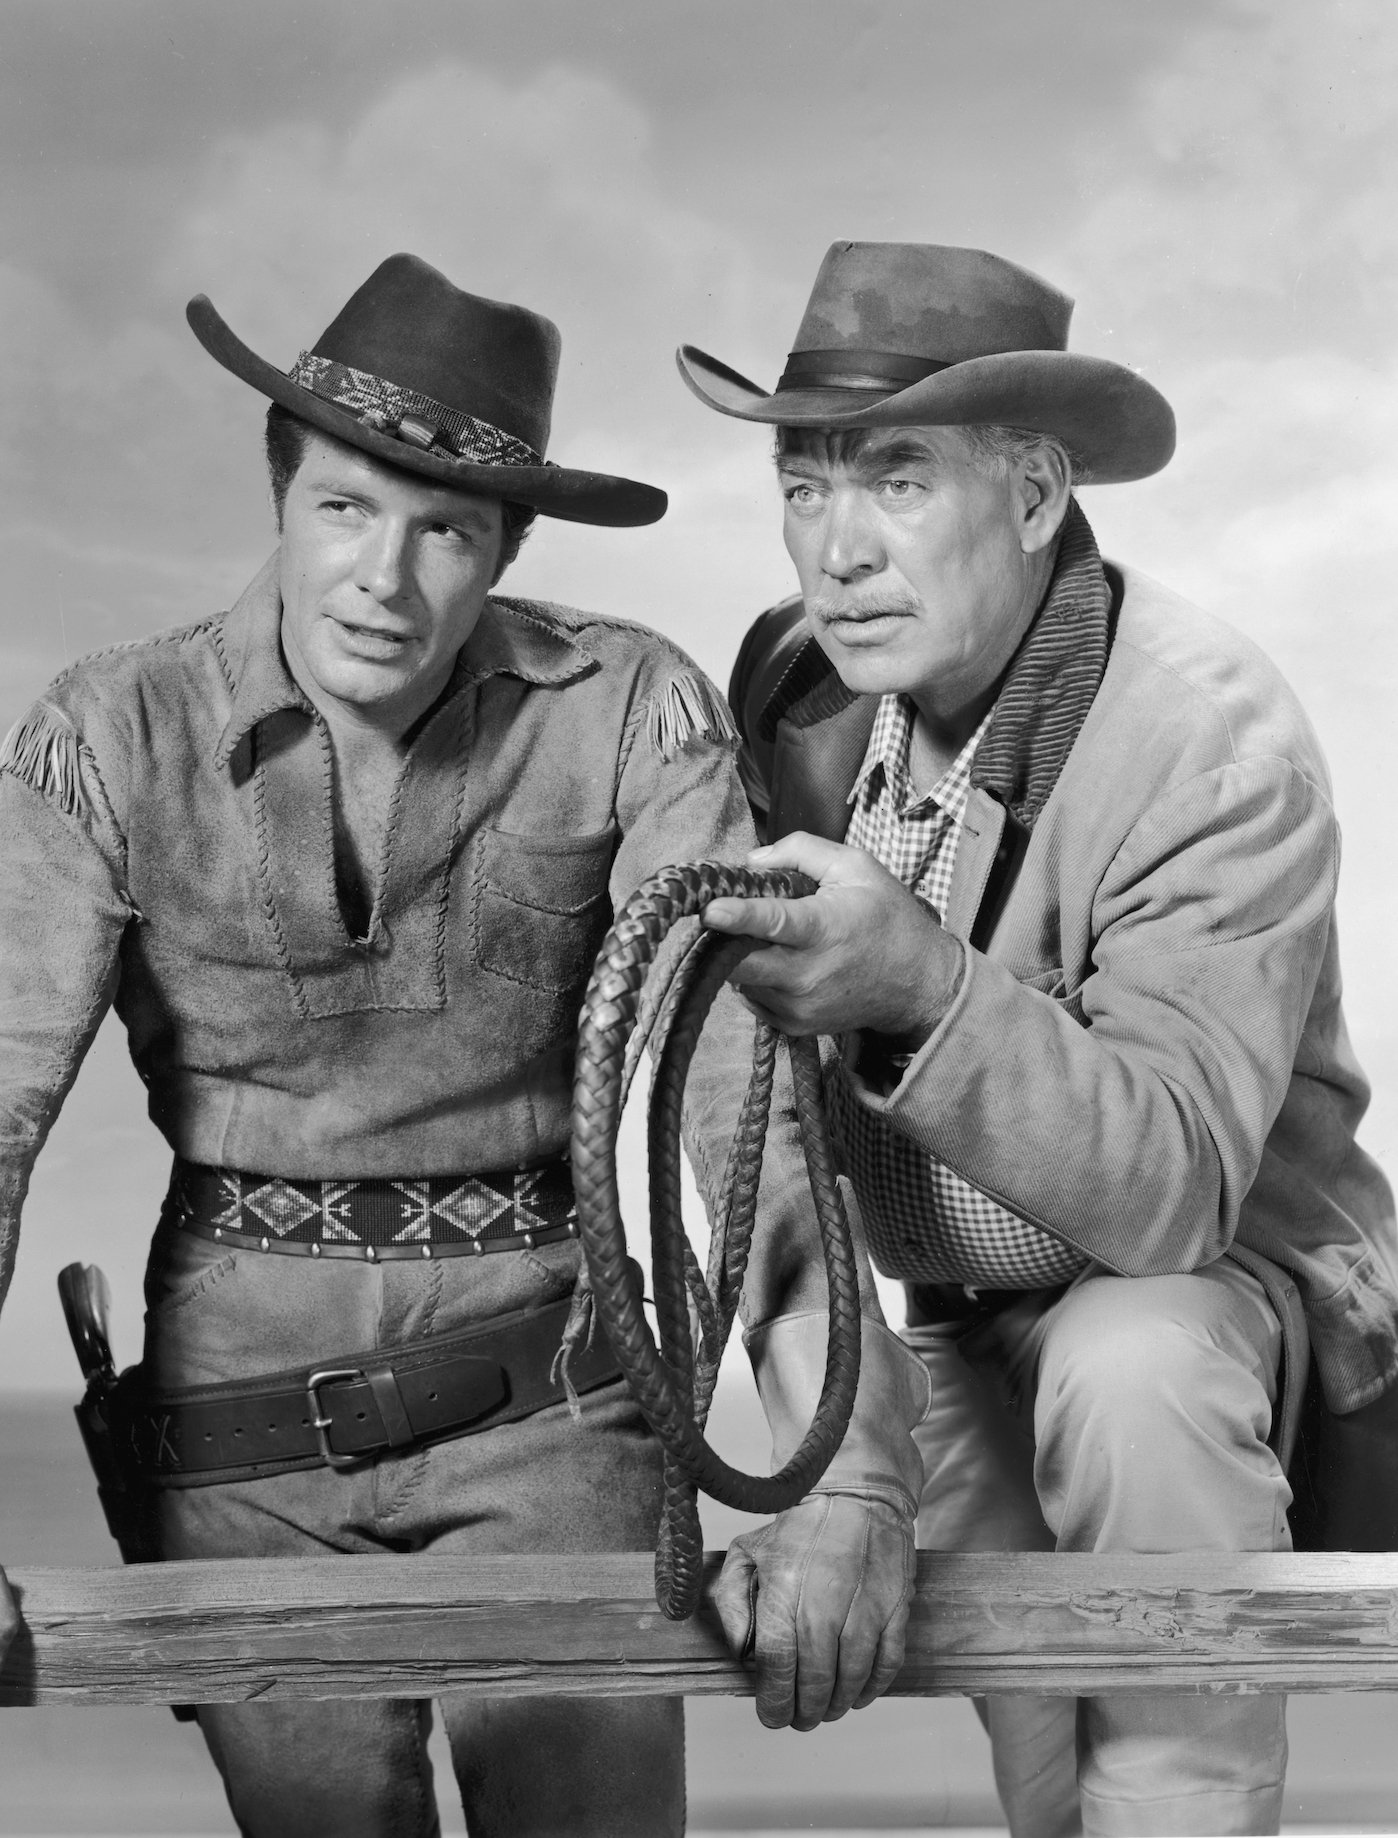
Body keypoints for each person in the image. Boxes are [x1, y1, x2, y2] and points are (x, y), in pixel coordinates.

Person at [0, 253, 930, 1838]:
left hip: (553, 1399)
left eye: (445, 529)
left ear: (503, 546)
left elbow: (738, 1101)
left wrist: (850, 1480)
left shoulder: (630, 708)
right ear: (281, 494)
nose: (385, 576)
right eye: (348, 510)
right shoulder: (108, 732)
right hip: (237, 1441)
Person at [683, 240, 1398, 1838]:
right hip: (955, 1310)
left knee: (1125, 1367)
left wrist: (917, 982)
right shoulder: (795, 694)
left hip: (1226, 1305)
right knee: (1041, 1778)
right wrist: (836, 1452)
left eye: (893, 480)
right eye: (803, 485)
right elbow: (751, 1111)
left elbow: (1167, 1199)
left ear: (1031, 493)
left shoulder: (1207, 737)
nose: (836, 549)